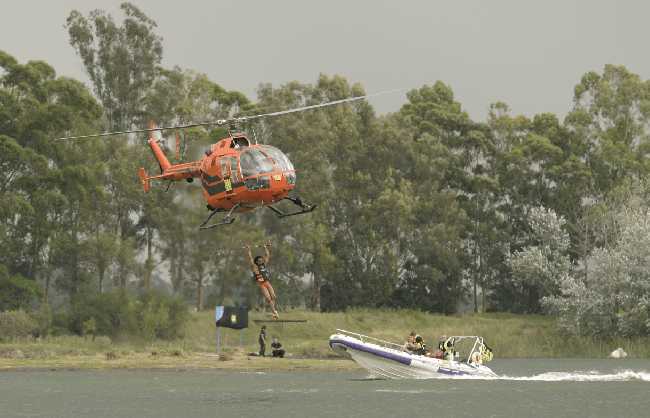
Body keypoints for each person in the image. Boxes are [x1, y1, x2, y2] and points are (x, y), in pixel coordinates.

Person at [245, 241, 279, 319]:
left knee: (274, 297)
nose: (261, 261)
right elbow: (250, 258)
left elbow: (267, 255)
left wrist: (265, 248)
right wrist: (248, 249)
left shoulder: (264, 265)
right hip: (262, 284)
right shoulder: (254, 267)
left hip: (267, 282)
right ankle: (274, 312)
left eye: (261, 260)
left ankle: (273, 312)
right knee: (268, 298)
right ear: (256, 261)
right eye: (259, 260)